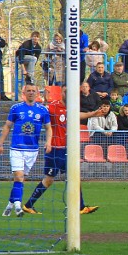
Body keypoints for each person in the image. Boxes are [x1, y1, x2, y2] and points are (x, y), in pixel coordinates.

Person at [22, 85, 99, 215]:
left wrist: (93, 114)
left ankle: (80, 207)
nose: (68, 94)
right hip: (55, 150)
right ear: (61, 93)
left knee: (74, 177)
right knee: (49, 180)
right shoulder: (53, 106)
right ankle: (28, 205)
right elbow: (40, 113)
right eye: (65, 92)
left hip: (66, 150)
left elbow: (78, 115)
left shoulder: (72, 107)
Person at [0, 84, 52, 217]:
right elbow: (7, 126)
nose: (31, 93)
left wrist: (49, 142)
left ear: (38, 93)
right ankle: (18, 207)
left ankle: (10, 205)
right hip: (16, 148)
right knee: (19, 176)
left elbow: (49, 128)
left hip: (32, 150)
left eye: (33, 91)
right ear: (24, 93)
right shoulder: (16, 108)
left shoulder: (43, 110)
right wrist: (0, 143)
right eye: (29, 91)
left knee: (20, 179)